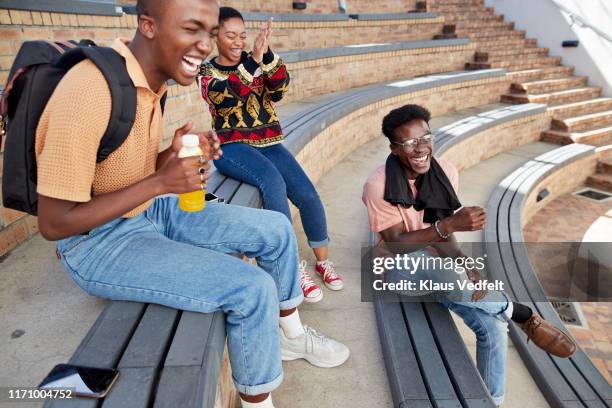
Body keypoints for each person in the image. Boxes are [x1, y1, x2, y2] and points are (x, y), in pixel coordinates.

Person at [34, 1, 349, 407]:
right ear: (148, 25)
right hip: (96, 243)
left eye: (210, 31)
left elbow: (117, 169)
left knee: (276, 229)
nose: (205, 44)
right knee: (251, 288)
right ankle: (258, 401)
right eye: (193, 29)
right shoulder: (88, 92)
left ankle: (291, 337)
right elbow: (55, 224)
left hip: (147, 211)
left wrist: (170, 158)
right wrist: (160, 181)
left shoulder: (152, 81)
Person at [362, 104, 577, 406]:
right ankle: (520, 312)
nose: (421, 148)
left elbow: (442, 237)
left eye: (426, 137)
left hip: (439, 271)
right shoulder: (378, 185)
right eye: (410, 142)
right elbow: (397, 244)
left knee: (493, 325)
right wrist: (449, 224)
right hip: (397, 270)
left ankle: (492, 401)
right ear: (394, 148)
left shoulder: (445, 171)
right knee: (427, 263)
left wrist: (464, 263)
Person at [198, 7, 343, 304]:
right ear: (215, 36)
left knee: (307, 194)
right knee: (272, 182)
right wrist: (252, 61)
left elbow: (280, 87)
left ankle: (322, 261)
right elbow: (228, 96)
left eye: (242, 35)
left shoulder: (256, 60)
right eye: (230, 35)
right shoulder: (207, 72)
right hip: (232, 147)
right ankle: (291, 265)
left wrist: (265, 56)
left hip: (269, 142)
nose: (238, 41)